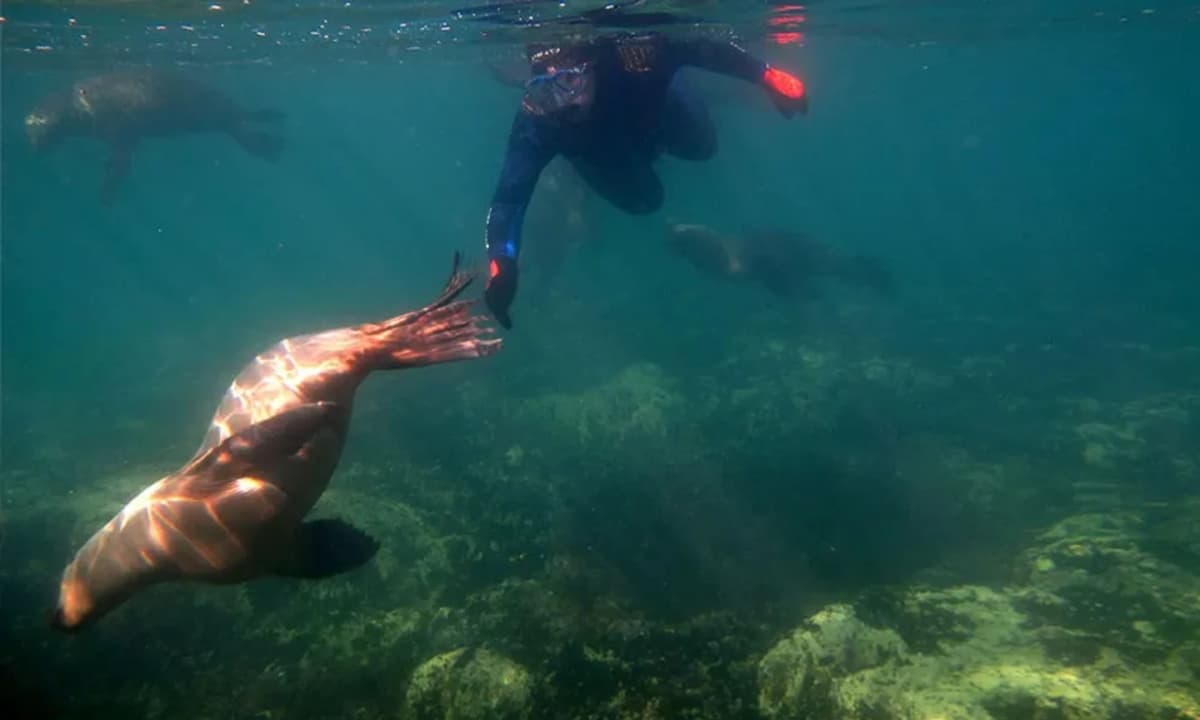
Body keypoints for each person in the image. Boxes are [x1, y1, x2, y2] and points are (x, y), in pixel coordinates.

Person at [481, 31, 809, 328]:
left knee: (704, 146)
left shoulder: (636, 56)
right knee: (646, 202)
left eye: (569, 82)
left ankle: (697, 97)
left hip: (656, 110)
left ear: (591, 66)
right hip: (601, 156)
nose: (561, 104)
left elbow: (697, 47)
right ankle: (577, 179)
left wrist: (767, 75)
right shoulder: (539, 119)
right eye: (544, 90)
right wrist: (502, 262)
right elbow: (510, 197)